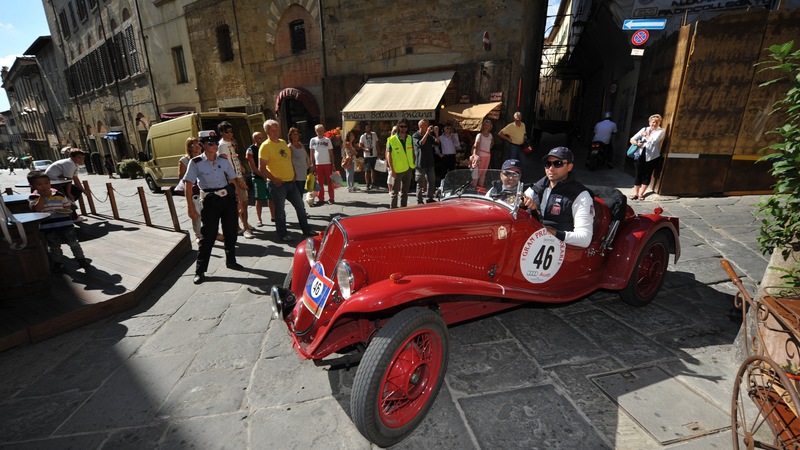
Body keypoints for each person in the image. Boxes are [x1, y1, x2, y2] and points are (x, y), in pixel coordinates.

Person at [183, 130, 243, 285]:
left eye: (216, 142)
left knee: (231, 232)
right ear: (202, 145)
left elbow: (233, 180)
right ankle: (200, 270)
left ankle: (231, 260)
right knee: (208, 236)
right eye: (210, 143)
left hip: (228, 200)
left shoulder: (223, 160)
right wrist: (190, 207)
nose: (215, 145)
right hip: (210, 202)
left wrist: (239, 201)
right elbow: (188, 185)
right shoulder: (195, 162)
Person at [259, 119, 315, 242]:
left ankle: (306, 229)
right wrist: (274, 179)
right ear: (266, 131)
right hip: (277, 184)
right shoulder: (265, 146)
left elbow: (288, 160)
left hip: (291, 182)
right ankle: (282, 234)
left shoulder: (283, 142)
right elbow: (261, 167)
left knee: (300, 206)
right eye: (272, 130)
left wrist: (294, 172)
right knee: (280, 211)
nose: (275, 132)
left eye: (276, 129)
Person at [529, 147, 594, 248]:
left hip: (561, 250)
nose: (551, 168)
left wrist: (551, 232)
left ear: (569, 167)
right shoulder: (540, 185)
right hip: (533, 242)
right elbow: (521, 199)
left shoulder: (581, 195)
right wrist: (523, 202)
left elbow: (584, 239)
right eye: (547, 164)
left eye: (557, 163)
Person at [27, 170, 89, 272]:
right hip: (48, 227)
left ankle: (81, 259)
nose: (44, 186)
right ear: (32, 186)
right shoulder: (33, 197)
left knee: (73, 243)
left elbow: (67, 205)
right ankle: (58, 262)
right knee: (54, 246)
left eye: (46, 183)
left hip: (65, 224)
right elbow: (36, 209)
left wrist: (67, 210)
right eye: (39, 184)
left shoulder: (58, 193)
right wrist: (42, 197)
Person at [216, 121, 253, 239]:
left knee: (243, 202)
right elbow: (226, 165)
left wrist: (240, 166)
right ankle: (242, 228)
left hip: (237, 175)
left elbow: (233, 159)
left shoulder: (230, 143)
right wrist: (237, 181)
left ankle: (244, 224)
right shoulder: (222, 145)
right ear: (221, 133)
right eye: (227, 132)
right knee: (239, 203)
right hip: (232, 178)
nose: (231, 134)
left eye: (231, 131)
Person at [629, 114, 665, 200]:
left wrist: (645, 135)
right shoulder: (644, 129)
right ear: (649, 122)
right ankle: (635, 193)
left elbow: (653, 141)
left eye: (657, 122)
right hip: (639, 154)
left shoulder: (661, 131)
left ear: (659, 123)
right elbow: (632, 139)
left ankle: (641, 194)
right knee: (638, 174)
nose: (654, 124)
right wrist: (637, 143)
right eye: (653, 122)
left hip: (652, 156)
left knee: (647, 174)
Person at [246, 131, 274, 226]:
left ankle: (273, 216)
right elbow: (253, 167)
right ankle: (259, 219)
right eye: (259, 138)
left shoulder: (267, 147)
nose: (261, 140)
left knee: (271, 197)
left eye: (262, 137)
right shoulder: (250, 150)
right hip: (258, 177)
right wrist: (263, 175)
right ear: (254, 139)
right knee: (259, 199)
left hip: (269, 176)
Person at [178, 137, 203, 242]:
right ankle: (198, 235)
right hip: (193, 190)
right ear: (189, 147)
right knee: (196, 213)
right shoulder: (184, 160)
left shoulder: (204, 157)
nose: (197, 147)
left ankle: (211, 232)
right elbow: (181, 176)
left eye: (198, 144)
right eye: (194, 145)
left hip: (204, 187)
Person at [386, 118, 415, 209]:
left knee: (405, 192)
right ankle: (393, 210)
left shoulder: (409, 138)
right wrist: (392, 169)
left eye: (405, 126)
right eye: (401, 126)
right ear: (398, 127)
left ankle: (403, 209)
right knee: (394, 193)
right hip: (397, 169)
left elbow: (412, 151)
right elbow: (389, 156)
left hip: (408, 168)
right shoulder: (392, 139)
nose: (403, 128)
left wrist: (413, 162)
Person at [413, 119, 438, 204]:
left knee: (431, 180)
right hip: (421, 163)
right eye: (425, 125)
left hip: (430, 162)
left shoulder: (429, 136)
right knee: (420, 182)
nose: (427, 127)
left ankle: (429, 197)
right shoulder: (415, 135)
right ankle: (419, 200)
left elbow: (437, 143)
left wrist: (436, 133)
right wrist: (427, 133)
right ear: (420, 126)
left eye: (427, 125)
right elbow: (420, 144)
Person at [309, 124, 335, 205]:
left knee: (330, 182)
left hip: (327, 164)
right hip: (318, 164)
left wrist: (333, 164)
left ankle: (331, 198)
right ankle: (321, 198)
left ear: (324, 131)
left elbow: (331, 153)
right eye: (318, 131)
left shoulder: (327, 140)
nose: (320, 132)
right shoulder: (312, 140)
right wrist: (311, 164)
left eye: (321, 130)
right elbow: (311, 153)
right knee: (320, 182)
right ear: (315, 131)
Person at [287, 127, 311, 205]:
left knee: (302, 193)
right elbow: (289, 161)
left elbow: (306, 156)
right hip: (296, 175)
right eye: (294, 134)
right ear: (290, 136)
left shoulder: (300, 144)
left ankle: (301, 210)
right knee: (299, 194)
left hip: (304, 173)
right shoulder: (290, 147)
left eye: (297, 134)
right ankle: (302, 211)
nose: (295, 136)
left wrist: (310, 165)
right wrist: (293, 173)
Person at [471, 119, 494, 187]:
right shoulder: (479, 135)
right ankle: (474, 186)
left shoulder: (490, 135)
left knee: (484, 172)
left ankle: (480, 187)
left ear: (490, 127)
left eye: (488, 125)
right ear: (483, 126)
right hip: (480, 155)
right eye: (485, 125)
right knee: (477, 172)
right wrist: (475, 155)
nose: (487, 127)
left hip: (487, 155)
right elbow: (475, 145)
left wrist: (489, 148)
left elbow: (492, 142)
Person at [359, 122, 379, 190]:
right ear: (365, 129)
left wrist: (379, 153)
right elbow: (360, 145)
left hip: (374, 154)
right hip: (367, 156)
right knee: (367, 170)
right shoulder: (363, 136)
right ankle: (367, 184)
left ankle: (373, 183)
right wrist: (365, 149)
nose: (369, 129)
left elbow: (377, 144)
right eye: (367, 128)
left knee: (374, 170)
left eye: (369, 127)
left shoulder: (374, 134)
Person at [386, 125, 398, 192]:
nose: (395, 133)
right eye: (394, 131)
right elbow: (387, 152)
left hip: (398, 161)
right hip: (391, 161)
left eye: (396, 131)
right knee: (390, 176)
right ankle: (390, 190)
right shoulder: (389, 140)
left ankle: (397, 189)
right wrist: (387, 162)